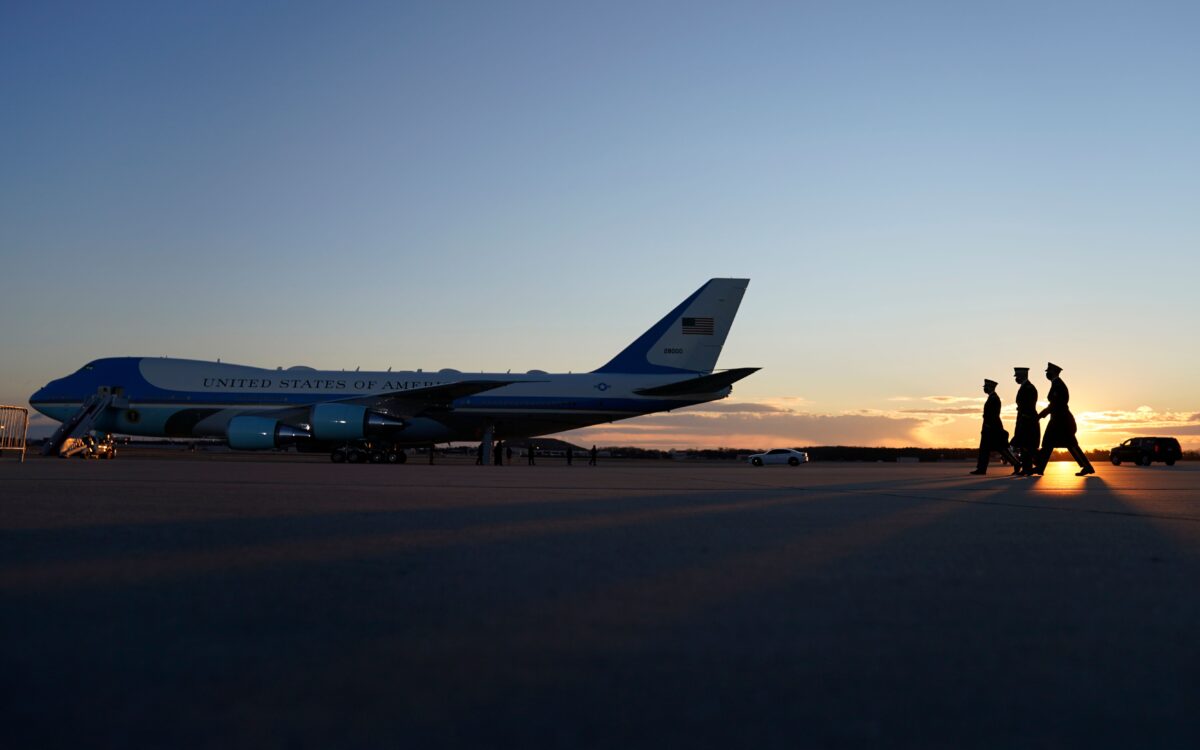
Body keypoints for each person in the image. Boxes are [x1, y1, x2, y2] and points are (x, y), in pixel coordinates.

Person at [1035, 362, 1095, 476]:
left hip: (1061, 420)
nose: (1047, 374)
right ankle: (1040, 467)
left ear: (1054, 372)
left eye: (1048, 372)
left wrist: (1041, 415)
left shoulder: (1058, 385)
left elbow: (1055, 404)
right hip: (1058, 419)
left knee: (1070, 444)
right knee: (1049, 443)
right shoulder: (1055, 384)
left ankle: (1087, 467)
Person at [970, 379, 1020, 475]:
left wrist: (988, 426)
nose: (984, 388)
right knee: (988, 449)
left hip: (992, 428)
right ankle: (981, 468)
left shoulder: (994, 398)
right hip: (990, 427)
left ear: (990, 387)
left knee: (999, 448)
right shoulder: (992, 398)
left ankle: (1016, 464)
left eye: (986, 387)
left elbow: (993, 415)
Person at [1011, 367, 1040, 476]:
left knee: (1027, 445)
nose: (1016, 378)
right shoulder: (1024, 387)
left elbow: (1029, 405)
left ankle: (1034, 465)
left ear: (1023, 375)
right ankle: (1027, 468)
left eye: (1017, 376)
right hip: (1023, 419)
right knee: (1024, 445)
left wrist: (1024, 417)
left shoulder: (1029, 388)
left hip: (1027, 420)